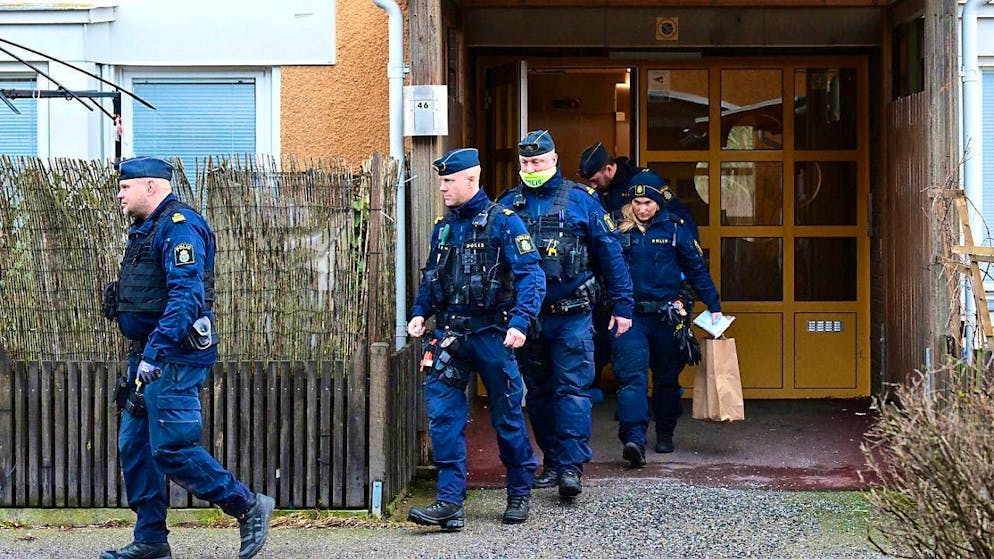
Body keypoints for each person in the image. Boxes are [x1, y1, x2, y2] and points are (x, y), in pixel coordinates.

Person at [101, 157, 273, 559]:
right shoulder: (146, 230)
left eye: (126, 187)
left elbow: (186, 298)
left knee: (171, 448)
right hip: (145, 356)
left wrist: (156, 353)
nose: (120, 194)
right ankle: (150, 541)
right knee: (135, 447)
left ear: (150, 186)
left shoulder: (181, 227)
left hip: (173, 358)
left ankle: (247, 506)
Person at [406, 148, 545, 529]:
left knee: (508, 416)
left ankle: (519, 489)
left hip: (494, 334)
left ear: (472, 178)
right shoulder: (444, 227)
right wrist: (420, 312)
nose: (443, 188)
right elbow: (433, 277)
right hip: (452, 335)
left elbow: (532, 276)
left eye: (449, 181)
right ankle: (450, 502)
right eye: (441, 181)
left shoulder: (505, 223)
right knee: (442, 416)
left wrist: (521, 321)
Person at [497, 130, 633, 497]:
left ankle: (572, 467)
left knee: (571, 390)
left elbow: (610, 255)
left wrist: (623, 306)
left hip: (572, 313)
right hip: (529, 319)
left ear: (554, 159)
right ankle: (553, 462)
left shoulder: (581, 200)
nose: (531, 168)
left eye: (538, 161)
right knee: (538, 394)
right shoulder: (509, 205)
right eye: (525, 163)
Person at [578, 142, 699, 434]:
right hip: (620, 292)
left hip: (660, 292)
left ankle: (662, 420)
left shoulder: (644, 184)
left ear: (609, 168)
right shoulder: (603, 195)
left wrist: (682, 280)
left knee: (664, 369)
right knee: (627, 364)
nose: (594, 186)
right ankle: (633, 420)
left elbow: (683, 227)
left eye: (595, 179)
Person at [612, 175, 723, 458]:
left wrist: (714, 305)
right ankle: (634, 439)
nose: (642, 209)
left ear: (658, 203)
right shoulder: (618, 228)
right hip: (631, 315)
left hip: (668, 315)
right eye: (636, 202)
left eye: (648, 202)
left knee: (666, 380)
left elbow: (697, 269)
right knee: (631, 379)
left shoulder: (676, 229)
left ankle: (664, 434)